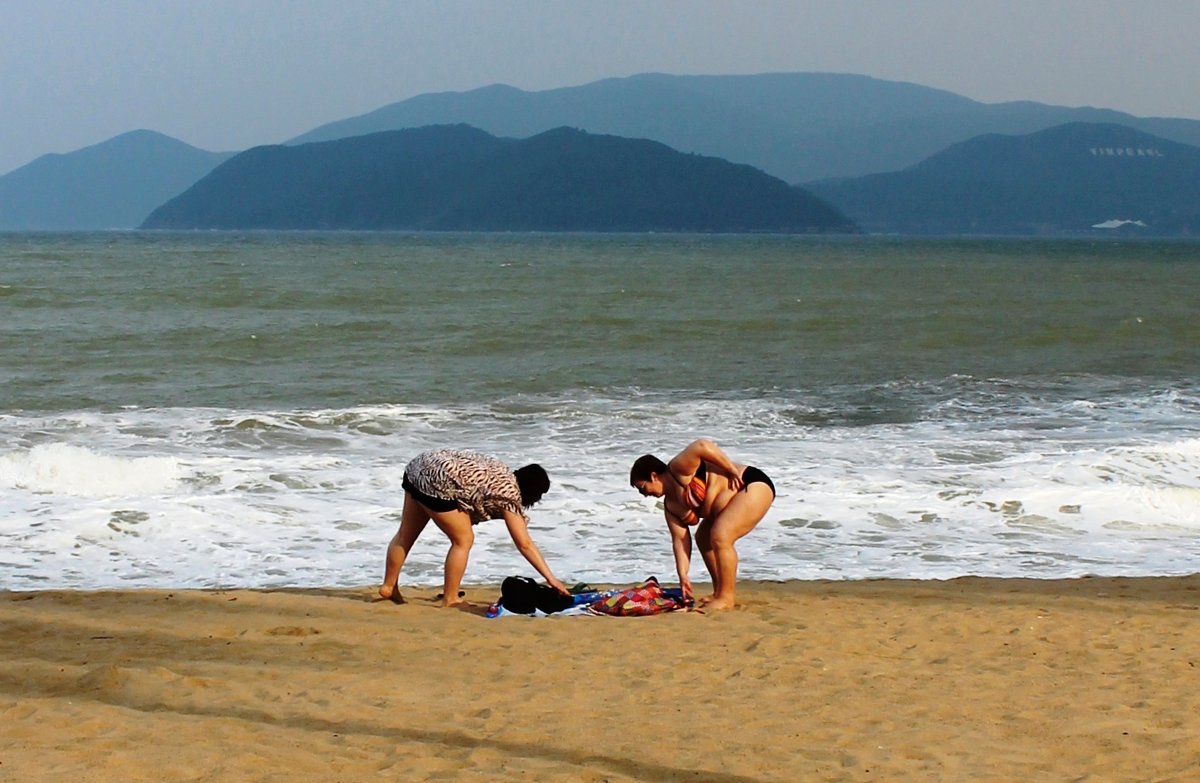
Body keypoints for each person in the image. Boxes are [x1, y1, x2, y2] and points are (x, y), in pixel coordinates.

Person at [379, 449, 570, 608]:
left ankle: (389, 586)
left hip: (420, 465)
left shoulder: (501, 471)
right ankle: (451, 598)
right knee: (463, 540)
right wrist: (551, 579)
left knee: (405, 534)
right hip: (438, 480)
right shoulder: (511, 495)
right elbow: (525, 544)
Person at [630, 439, 775, 611]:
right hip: (726, 507)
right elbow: (680, 540)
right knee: (703, 538)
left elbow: (701, 446)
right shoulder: (671, 506)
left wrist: (730, 469)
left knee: (720, 536)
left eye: (643, 488)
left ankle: (726, 598)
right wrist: (683, 575)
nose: (644, 495)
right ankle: (718, 592)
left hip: (750, 484)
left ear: (653, 476)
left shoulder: (677, 469)